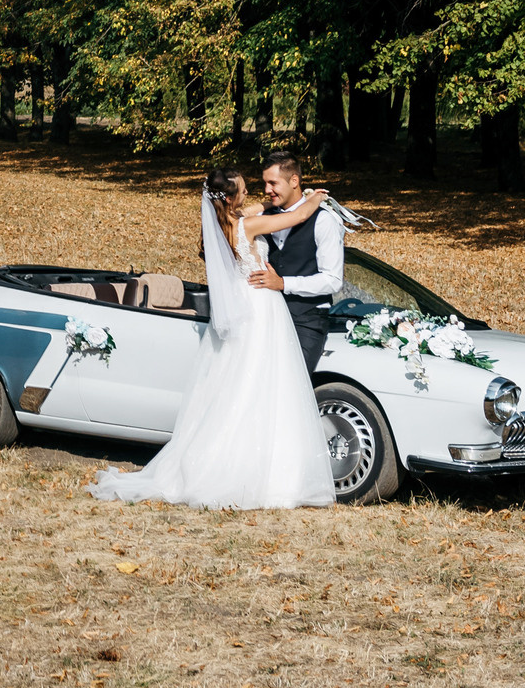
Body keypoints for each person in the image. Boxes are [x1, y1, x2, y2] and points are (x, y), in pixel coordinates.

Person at [87, 167, 339, 510]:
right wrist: (316, 197)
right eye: (245, 189)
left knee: (241, 386)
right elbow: (298, 216)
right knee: (260, 385)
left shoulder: (225, 225)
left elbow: (259, 210)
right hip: (260, 306)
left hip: (249, 305)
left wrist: (269, 202)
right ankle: (253, 472)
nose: (252, 193)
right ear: (232, 197)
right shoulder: (247, 226)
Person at [245, 151, 343, 376]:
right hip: (264, 318)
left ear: (294, 181)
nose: (267, 190)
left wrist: (283, 284)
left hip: (306, 321)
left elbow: (333, 280)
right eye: (265, 183)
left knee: (292, 385)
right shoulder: (263, 217)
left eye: (273, 183)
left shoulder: (324, 220)